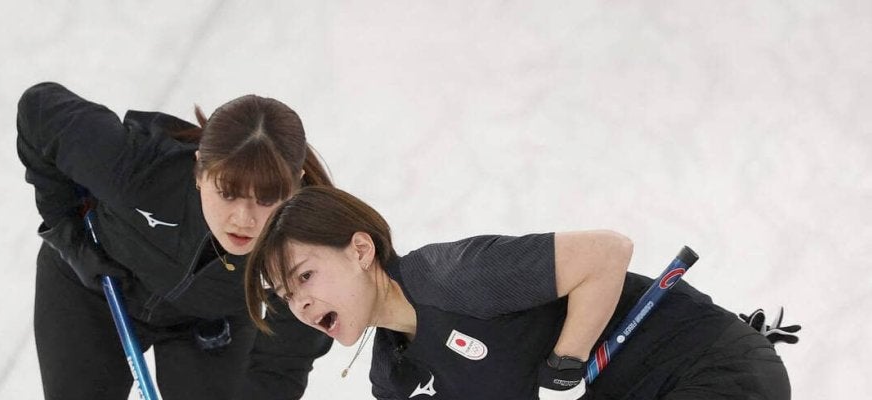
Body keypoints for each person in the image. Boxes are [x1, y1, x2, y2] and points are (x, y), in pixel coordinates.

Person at [244, 186, 794, 400]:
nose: (300, 304)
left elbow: (607, 252)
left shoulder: (452, 275)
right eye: (287, 296)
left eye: (305, 277)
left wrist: (564, 367)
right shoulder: (395, 376)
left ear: (361, 250)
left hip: (709, 368)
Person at [17, 82, 332, 399]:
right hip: (92, 292)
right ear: (199, 170)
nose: (243, 219)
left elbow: (283, 365)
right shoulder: (140, 169)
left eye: (266, 199)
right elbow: (39, 110)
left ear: (296, 185)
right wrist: (72, 239)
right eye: (227, 193)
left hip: (209, 323)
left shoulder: (307, 250)